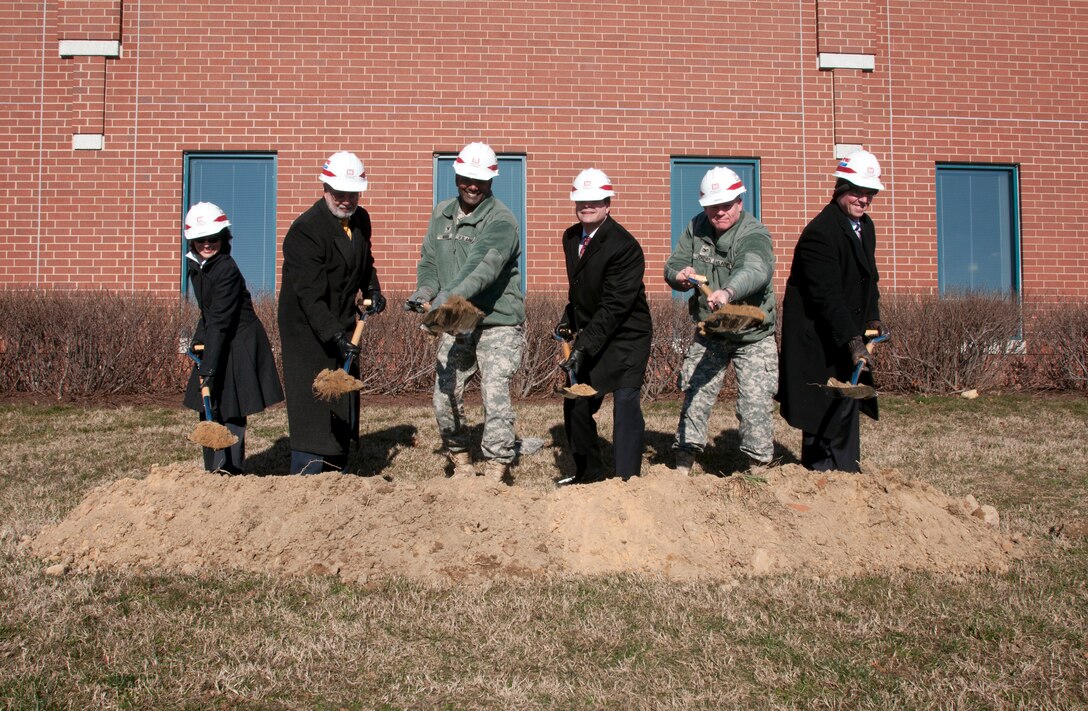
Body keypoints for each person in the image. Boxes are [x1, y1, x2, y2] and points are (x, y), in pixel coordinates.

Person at [405, 142, 524, 483]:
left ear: (491, 181)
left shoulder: (502, 221)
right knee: (444, 394)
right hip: (459, 319)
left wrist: (445, 299)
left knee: (494, 393)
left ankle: (497, 466)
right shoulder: (442, 213)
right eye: (466, 178)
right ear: (456, 175)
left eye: (481, 180)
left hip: (497, 320)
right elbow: (429, 261)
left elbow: (481, 268)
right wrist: (426, 291)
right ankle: (461, 461)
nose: (473, 186)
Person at [663, 167, 778, 474]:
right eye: (713, 205)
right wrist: (679, 275)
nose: (720, 211)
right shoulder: (696, 227)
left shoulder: (754, 234)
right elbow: (674, 263)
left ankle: (758, 466)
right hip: (711, 332)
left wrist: (729, 291)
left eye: (726, 204)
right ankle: (684, 461)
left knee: (754, 403)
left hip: (752, 335)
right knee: (696, 394)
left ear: (740, 202)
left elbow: (755, 269)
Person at [777, 149, 885, 472]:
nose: (863, 200)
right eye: (856, 191)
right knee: (822, 413)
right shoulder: (820, 234)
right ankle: (822, 481)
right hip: (818, 343)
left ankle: (847, 477)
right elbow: (827, 298)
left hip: (844, 334)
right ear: (840, 188)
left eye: (869, 193)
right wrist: (852, 341)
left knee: (847, 405)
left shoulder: (865, 228)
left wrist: (872, 318)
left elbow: (869, 281)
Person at [278, 151, 385, 474]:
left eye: (353, 193)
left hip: (341, 324)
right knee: (314, 403)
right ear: (325, 187)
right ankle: (307, 470)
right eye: (339, 192)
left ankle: (337, 470)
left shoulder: (360, 220)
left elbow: (365, 262)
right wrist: (335, 335)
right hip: (309, 331)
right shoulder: (305, 231)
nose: (346, 199)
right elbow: (309, 296)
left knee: (342, 398)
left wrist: (373, 291)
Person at [556, 168, 653, 484]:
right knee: (577, 400)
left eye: (595, 200)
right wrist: (569, 319)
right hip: (593, 334)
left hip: (626, 335)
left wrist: (583, 348)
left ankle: (628, 481)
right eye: (581, 200)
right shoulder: (571, 237)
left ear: (608, 204)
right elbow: (581, 291)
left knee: (625, 401)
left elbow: (614, 307)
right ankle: (589, 474)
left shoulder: (625, 247)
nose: (587, 205)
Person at [182, 202, 284, 473]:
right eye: (200, 239)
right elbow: (209, 313)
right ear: (192, 241)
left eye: (213, 239)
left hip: (239, 340)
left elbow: (221, 319)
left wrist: (210, 366)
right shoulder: (198, 266)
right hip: (219, 333)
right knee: (207, 406)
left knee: (231, 405)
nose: (207, 244)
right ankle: (212, 469)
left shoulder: (225, 268)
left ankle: (232, 470)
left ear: (223, 239)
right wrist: (197, 339)